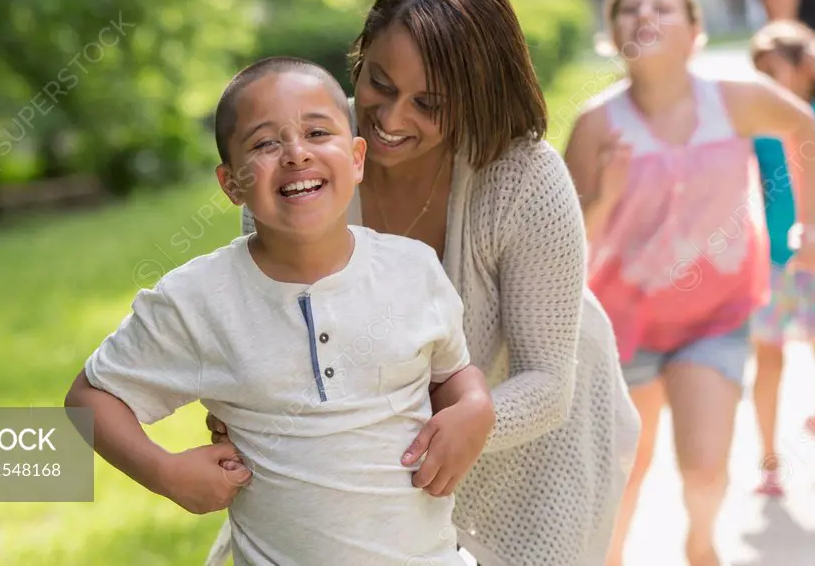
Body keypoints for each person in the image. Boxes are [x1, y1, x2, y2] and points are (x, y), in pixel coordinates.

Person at [207, 0, 642, 566]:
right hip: (384, 466)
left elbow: (549, 383)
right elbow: (280, 335)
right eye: (381, 85)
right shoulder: (298, 173)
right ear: (360, 60)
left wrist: (466, 420)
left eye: (427, 103)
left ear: (476, 98)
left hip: (538, 436)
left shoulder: (524, 178)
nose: (390, 119)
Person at [65, 55, 496, 566]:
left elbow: (452, 373)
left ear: (357, 157)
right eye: (265, 143)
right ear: (231, 184)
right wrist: (166, 473)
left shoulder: (413, 269)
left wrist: (475, 407)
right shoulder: (198, 299)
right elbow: (90, 399)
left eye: (317, 133)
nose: (295, 154)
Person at [564, 0, 815, 566]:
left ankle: (700, 546)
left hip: (716, 314)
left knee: (704, 469)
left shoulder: (733, 101)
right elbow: (567, 245)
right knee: (627, 470)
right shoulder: (597, 125)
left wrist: (810, 223)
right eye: (630, 8)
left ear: (694, 29)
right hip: (623, 326)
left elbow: (804, 125)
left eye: (663, 7)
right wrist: (603, 197)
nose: (645, 17)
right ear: (613, 33)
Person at [748, 19, 815, 497]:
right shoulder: (756, 125)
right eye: (758, 70)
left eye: (773, 69)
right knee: (769, 361)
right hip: (770, 264)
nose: (764, 80)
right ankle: (768, 462)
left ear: (802, 67)